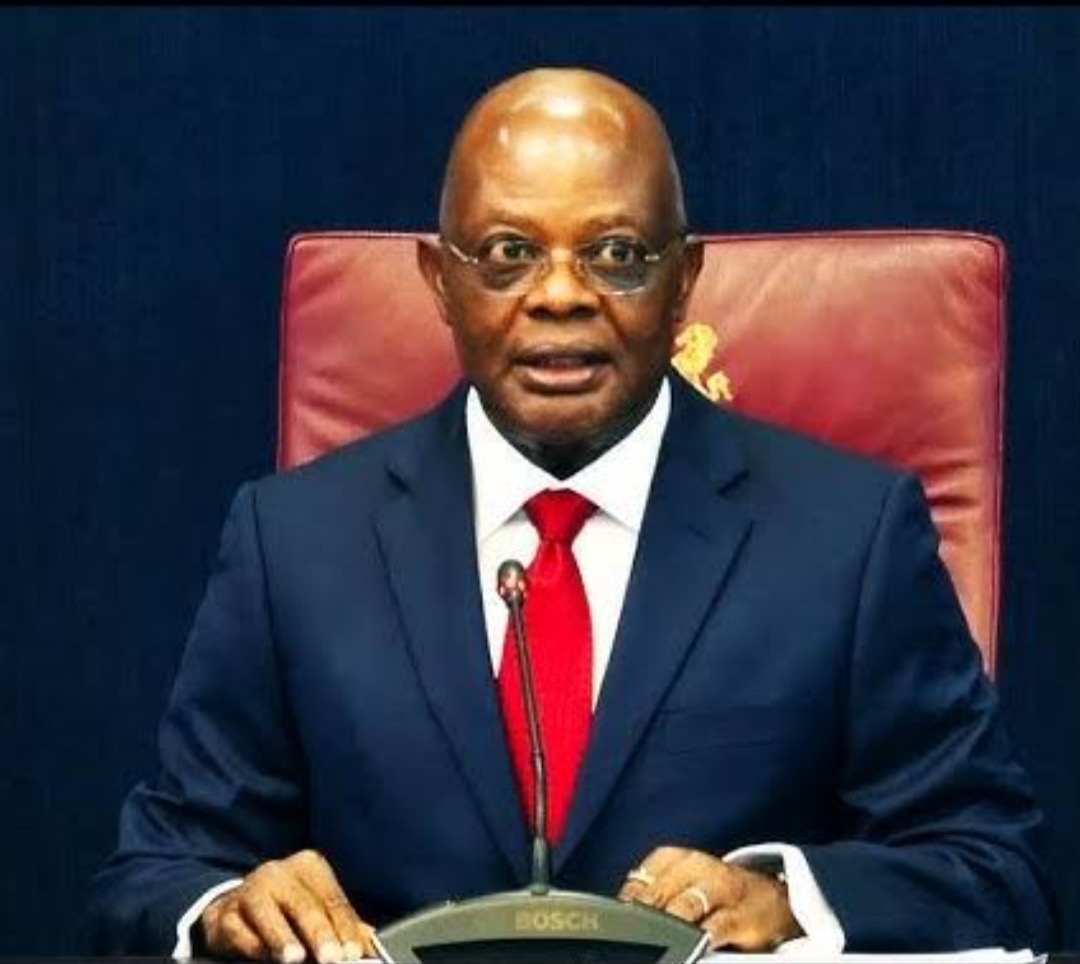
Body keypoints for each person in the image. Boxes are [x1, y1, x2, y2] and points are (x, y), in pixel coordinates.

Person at [88, 67, 1056, 962]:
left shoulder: (849, 537)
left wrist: (789, 897)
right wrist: (226, 908)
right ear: (439, 279)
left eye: (617, 254)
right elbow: (155, 872)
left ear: (684, 280)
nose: (560, 295)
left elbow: (997, 871)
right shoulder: (292, 542)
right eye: (508, 254)